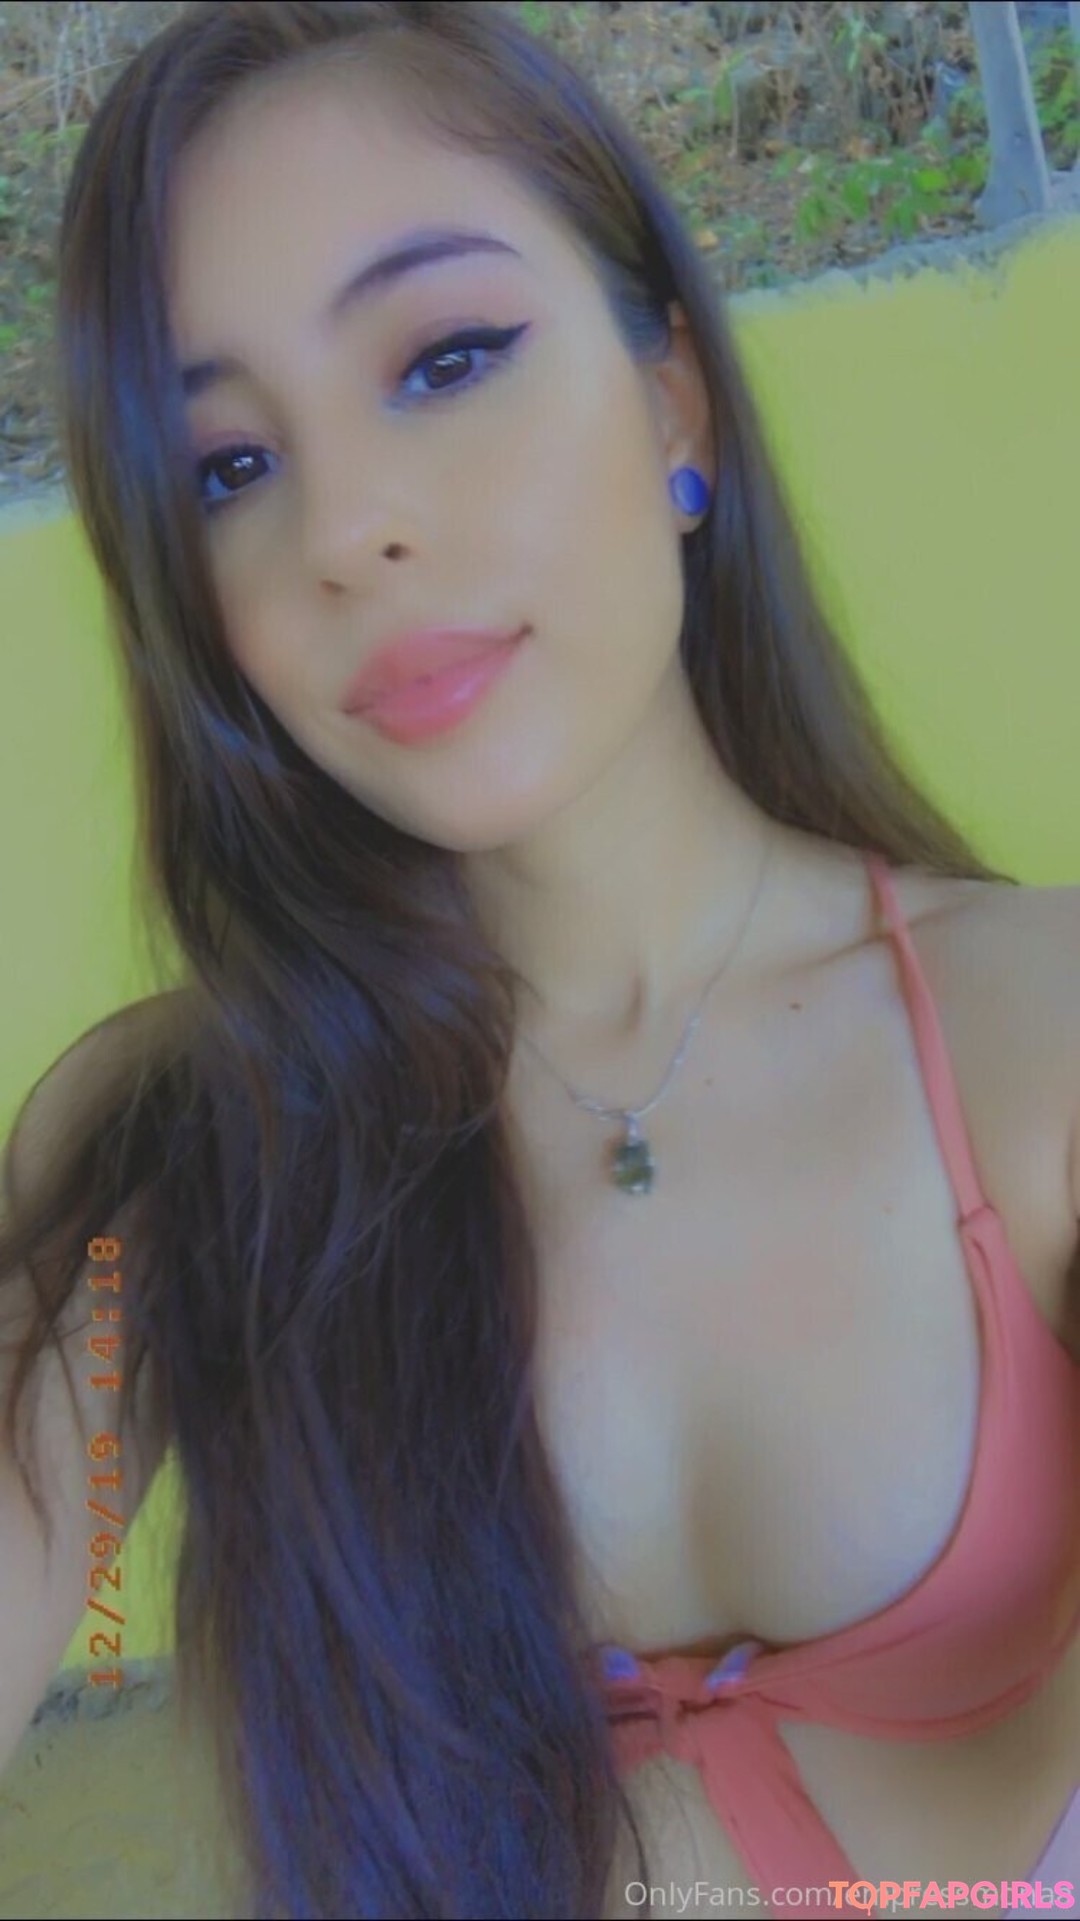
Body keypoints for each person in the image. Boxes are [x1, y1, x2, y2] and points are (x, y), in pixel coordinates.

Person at [1, 5, 1077, 1918]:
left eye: (447, 359)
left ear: (674, 407)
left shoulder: (1038, 1039)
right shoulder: (177, 1146)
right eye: (227, 465)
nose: (348, 529)